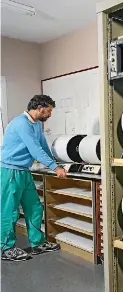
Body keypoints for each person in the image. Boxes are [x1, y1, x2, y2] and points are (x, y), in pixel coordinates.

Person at [1, 94, 66, 262]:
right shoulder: (21, 124)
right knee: (9, 211)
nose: (50, 115)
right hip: (9, 171)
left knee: (34, 207)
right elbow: (34, 149)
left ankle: (38, 243)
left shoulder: (36, 124)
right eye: (49, 111)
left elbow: (42, 145)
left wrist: (56, 161)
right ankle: (5, 248)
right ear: (40, 108)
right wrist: (55, 167)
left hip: (23, 171)